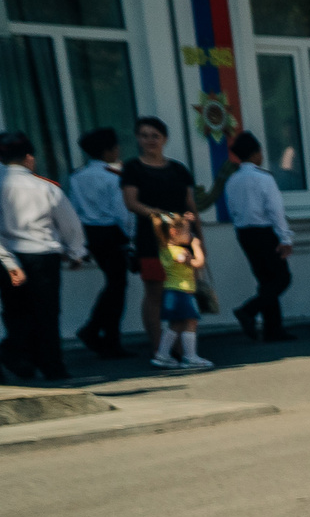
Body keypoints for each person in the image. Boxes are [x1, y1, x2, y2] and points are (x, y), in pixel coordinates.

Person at [1, 132, 88, 382]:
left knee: (16, 312)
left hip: (8, 255)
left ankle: (19, 355)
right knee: (46, 313)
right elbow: (70, 224)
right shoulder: (46, 187)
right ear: (29, 157)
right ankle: (51, 365)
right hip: (43, 256)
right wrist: (76, 252)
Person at [119, 116, 207, 354]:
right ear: (138, 138)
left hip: (182, 240)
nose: (150, 140)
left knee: (183, 290)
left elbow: (190, 205)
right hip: (151, 240)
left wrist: (199, 238)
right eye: (145, 135)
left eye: (155, 136)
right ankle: (159, 347)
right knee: (156, 292)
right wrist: (157, 215)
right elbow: (131, 202)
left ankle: (183, 348)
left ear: (164, 139)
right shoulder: (133, 168)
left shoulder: (178, 169)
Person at [222, 131, 296, 341]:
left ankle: (273, 329)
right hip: (264, 232)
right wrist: (285, 238)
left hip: (244, 233)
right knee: (282, 278)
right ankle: (248, 310)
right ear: (255, 154)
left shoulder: (232, 180)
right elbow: (275, 211)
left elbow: (232, 209)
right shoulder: (263, 178)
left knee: (265, 280)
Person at [67, 127, 133, 357]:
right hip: (111, 233)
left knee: (113, 284)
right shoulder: (113, 177)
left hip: (90, 234)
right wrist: (129, 235)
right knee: (117, 286)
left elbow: (74, 209)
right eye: (115, 148)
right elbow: (120, 212)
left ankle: (97, 332)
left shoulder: (77, 177)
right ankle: (103, 334)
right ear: (107, 151)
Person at [146, 204, 211, 371]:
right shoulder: (180, 253)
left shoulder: (165, 249)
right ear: (174, 232)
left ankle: (162, 355)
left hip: (171, 292)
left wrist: (187, 222)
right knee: (191, 322)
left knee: (175, 325)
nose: (189, 236)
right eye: (187, 232)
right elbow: (199, 263)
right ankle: (190, 357)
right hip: (182, 292)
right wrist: (196, 245)